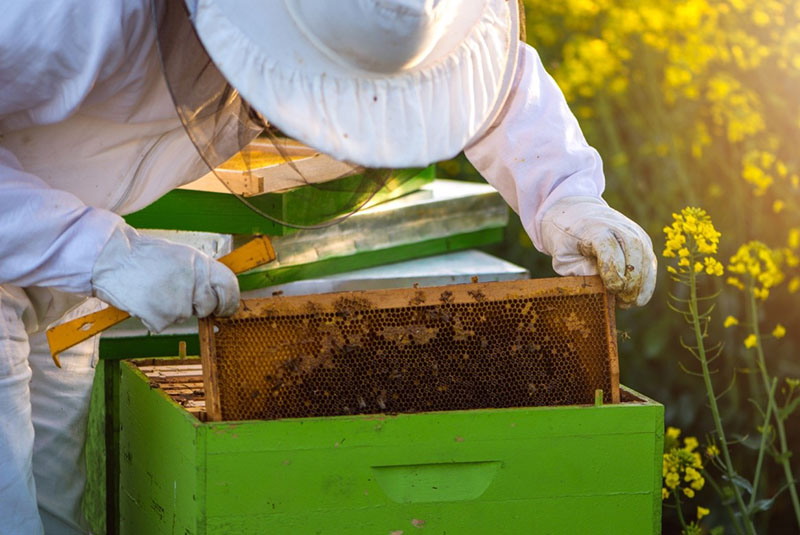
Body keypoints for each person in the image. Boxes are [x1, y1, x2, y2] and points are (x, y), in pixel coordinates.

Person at [0, 1, 657, 533]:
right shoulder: (63, 15)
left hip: (60, 263)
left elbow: (493, 81)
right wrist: (100, 252)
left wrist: (566, 196)